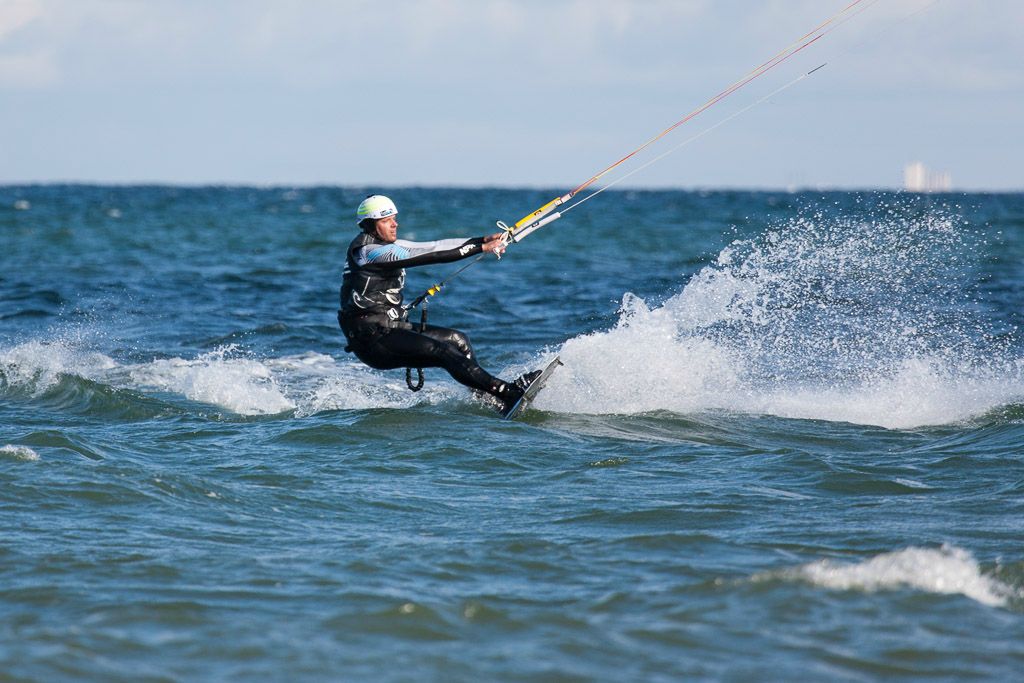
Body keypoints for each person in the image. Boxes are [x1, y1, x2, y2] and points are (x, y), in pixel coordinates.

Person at [338, 194, 538, 414]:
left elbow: (434, 245)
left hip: (391, 330)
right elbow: (432, 255)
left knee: (459, 341)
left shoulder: (384, 245)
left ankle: (491, 401)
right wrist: (481, 248)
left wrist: (481, 240)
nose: (395, 224)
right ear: (370, 225)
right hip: (373, 341)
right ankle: (507, 392)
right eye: (387, 221)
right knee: (443, 352)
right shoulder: (369, 253)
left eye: (395, 218)